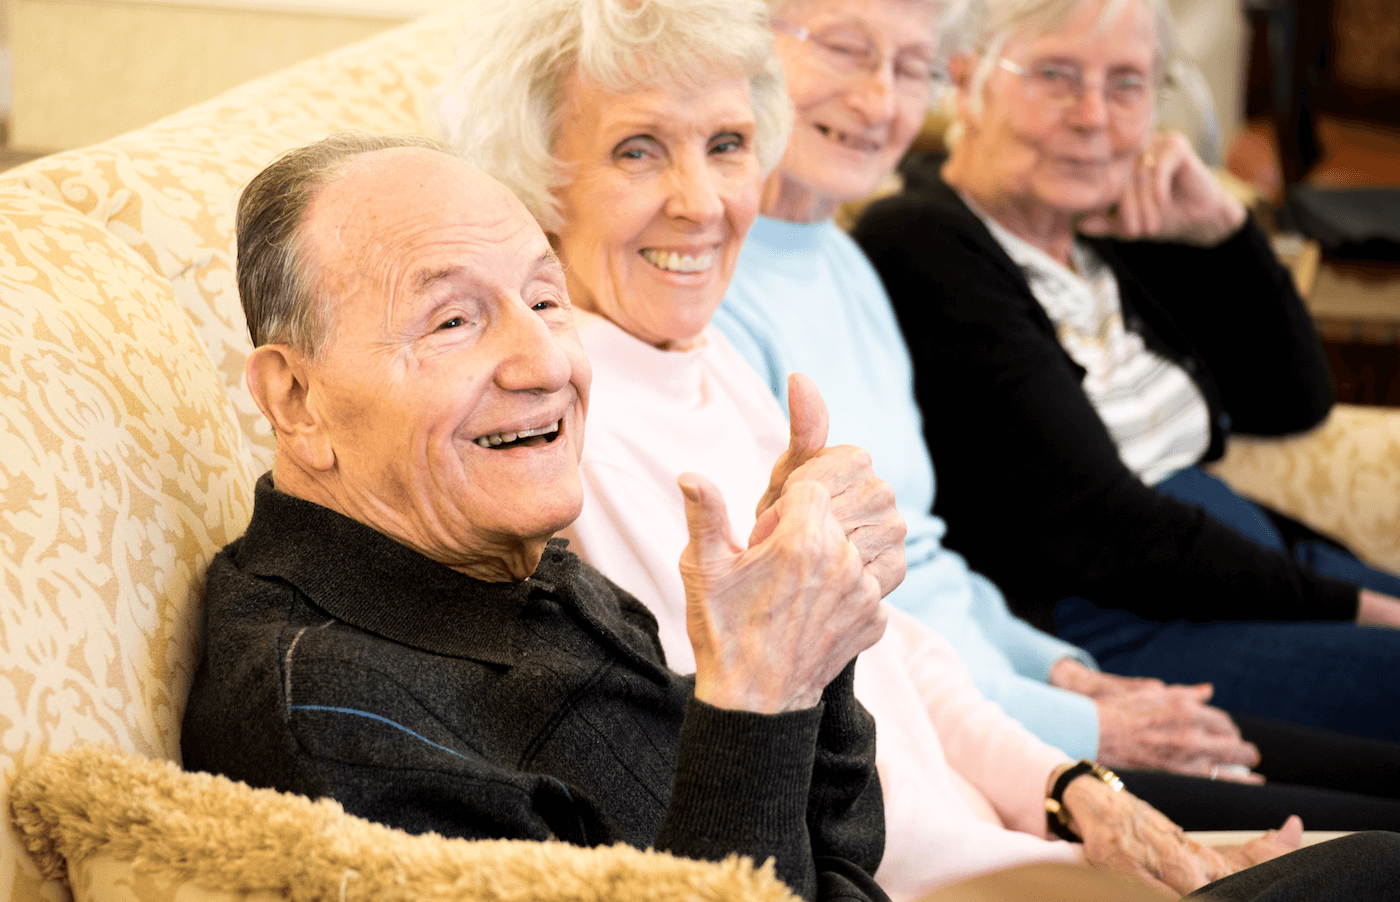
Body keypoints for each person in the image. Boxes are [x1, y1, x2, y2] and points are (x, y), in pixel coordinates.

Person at [436, 0, 1389, 897]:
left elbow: (888, 642)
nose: (702, 201)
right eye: (638, 151)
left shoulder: (703, 350)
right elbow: (796, 792)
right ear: (539, 182)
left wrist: (1071, 788)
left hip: (1006, 831)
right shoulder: (567, 443)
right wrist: (1068, 856)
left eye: (726, 145)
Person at [711, 0, 1400, 827]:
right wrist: (1077, 711)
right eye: (1057, 77)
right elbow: (1094, 532)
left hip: (1052, 655)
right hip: (1082, 645)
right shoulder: (905, 247)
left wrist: (1227, 231)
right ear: (967, 88)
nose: (1093, 119)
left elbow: (1291, 398)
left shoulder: (866, 260)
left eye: (1127, 86)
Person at [180, 132, 894, 902]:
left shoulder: (517, 566)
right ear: (296, 398)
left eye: (546, 302)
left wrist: (805, 630)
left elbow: (840, 852)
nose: (548, 363)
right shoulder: (336, 720)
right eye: (452, 321)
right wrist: (759, 690)